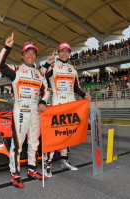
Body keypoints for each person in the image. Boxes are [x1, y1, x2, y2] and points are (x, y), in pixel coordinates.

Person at [0, 33, 50, 188]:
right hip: (20, 109)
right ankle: (15, 173)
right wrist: (7, 47)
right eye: (27, 52)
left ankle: (32, 169)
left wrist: (43, 101)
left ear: (36, 56)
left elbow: (47, 90)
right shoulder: (16, 70)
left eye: (33, 53)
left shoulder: (39, 74)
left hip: (35, 111)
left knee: (34, 142)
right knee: (18, 144)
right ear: (22, 55)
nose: (30, 55)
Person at [43, 42, 91, 177]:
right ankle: (47, 164)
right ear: (58, 52)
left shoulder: (73, 68)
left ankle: (64, 160)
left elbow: (77, 87)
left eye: (67, 51)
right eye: (62, 51)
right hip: (57, 105)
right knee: (55, 136)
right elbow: (42, 76)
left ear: (70, 53)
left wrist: (84, 95)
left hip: (72, 105)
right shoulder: (53, 66)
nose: (64, 53)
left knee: (69, 134)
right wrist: (47, 64)